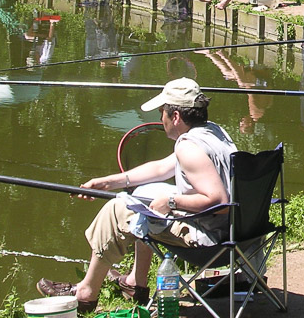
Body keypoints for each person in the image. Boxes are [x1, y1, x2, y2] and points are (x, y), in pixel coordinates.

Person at [36, 78, 237, 314]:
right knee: (143, 195)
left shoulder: (189, 147)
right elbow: (162, 168)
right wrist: (108, 182)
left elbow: (220, 202)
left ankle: (86, 293)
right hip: (237, 232)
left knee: (118, 209)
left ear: (175, 117)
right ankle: (135, 283)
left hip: (209, 240)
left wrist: (172, 202)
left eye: (162, 111)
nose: (160, 118)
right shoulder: (213, 132)